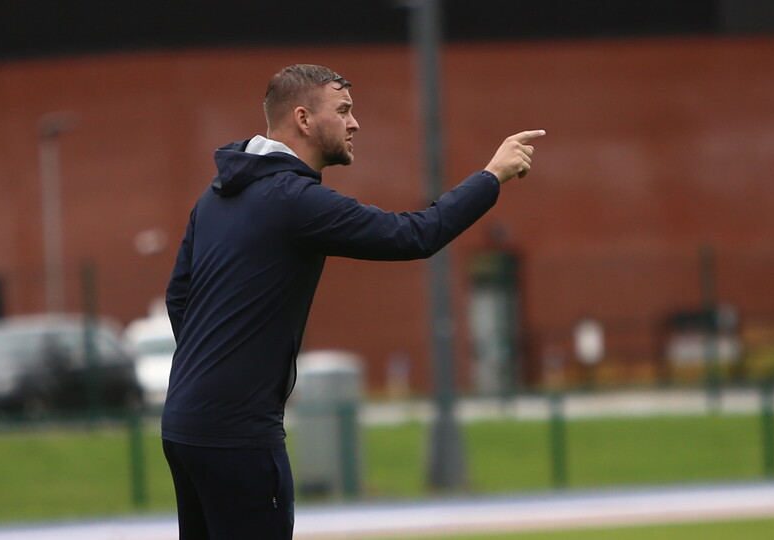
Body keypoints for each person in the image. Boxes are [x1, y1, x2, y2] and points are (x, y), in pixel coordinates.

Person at [162, 63, 544, 540]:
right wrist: (491, 176)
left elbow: (179, 295)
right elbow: (415, 235)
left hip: (183, 425)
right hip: (238, 435)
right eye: (343, 110)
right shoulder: (294, 200)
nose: (354, 123)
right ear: (303, 119)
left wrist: (215, 371)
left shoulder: (215, 195)